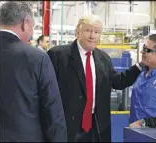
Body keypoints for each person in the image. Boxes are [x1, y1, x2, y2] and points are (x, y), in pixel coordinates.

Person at [47, 14, 142, 142]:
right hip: (68, 126)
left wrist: (139, 67)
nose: (92, 36)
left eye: (96, 32)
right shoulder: (58, 55)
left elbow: (118, 82)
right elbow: (46, 91)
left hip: (96, 126)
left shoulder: (103, 58)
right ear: (78, 32)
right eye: (88, 30)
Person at [0, 2, 67, 142]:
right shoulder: (37, 58)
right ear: (25, 23)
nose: (31, 34)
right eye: (33, 27)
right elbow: (52, 111)